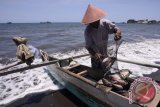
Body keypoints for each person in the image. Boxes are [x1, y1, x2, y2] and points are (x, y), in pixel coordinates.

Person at [81, 4, 121, 75]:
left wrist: (117, 33)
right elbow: (88, 46)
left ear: (98, 18)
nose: (94, 23)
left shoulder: (105, 23)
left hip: (105, 53)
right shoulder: (88, 31)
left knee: (107, 72)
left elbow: (116, 29)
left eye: (95, 20)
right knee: (96, 73)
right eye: (91, 22)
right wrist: (95, 54)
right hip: (95, 56)